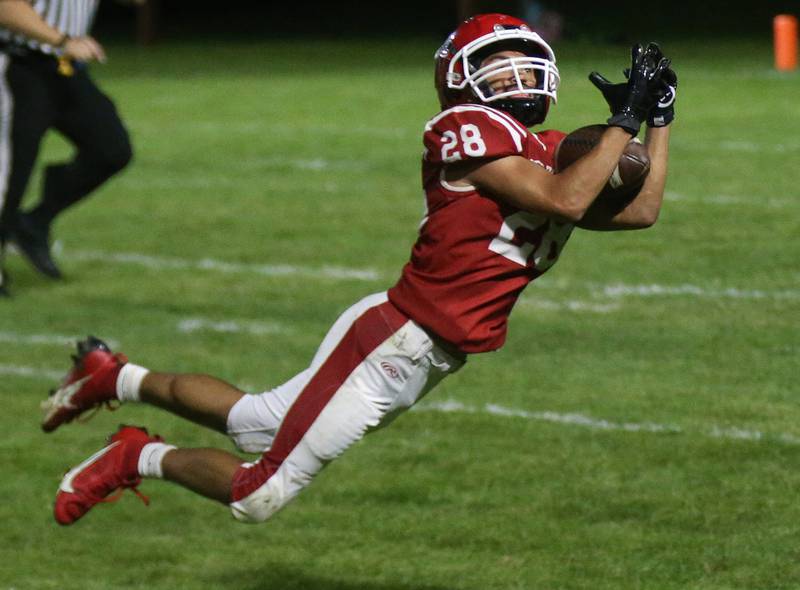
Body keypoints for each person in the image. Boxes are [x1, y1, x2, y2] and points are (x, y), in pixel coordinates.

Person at [42, 13, 677, 526]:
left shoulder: (549, 151)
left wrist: (658, 121)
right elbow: (565, 200)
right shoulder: (465, 127)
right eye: (495, 64)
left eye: (520, 61)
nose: (514, 74)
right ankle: (136, 455)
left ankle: (112, 375)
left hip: (428, 354)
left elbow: (642, 211)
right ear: (459, 76)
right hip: (395, 340)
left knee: (253, 421)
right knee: (258, 493)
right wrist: (624, 122)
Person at [0, 0, 136, 296]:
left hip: (64, 68)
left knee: (110, 149)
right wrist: (61, 40)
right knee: (10, 174)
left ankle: (33, 223)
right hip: (19, 64)